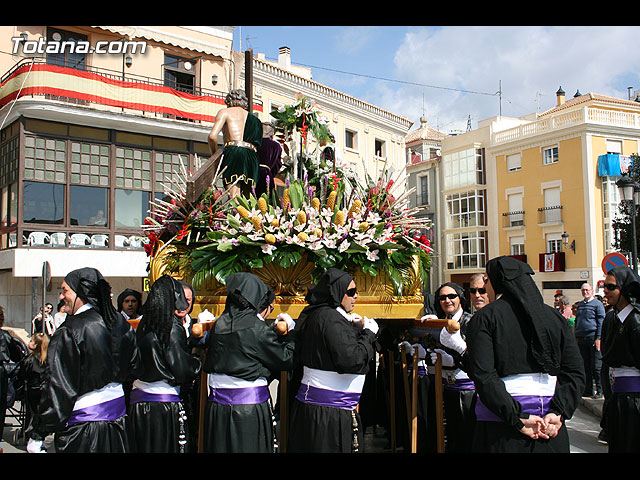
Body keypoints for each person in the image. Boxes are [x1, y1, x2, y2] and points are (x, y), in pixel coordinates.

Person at [465, 256, 585, 453]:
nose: (485, 287)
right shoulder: (555, 317)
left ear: (498, 281)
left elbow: (484, 375)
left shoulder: (485, 318)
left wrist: (516, 417)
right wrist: (558, 412)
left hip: (502, 430)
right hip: (549, 428)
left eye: (486, 281)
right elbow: (575, 372)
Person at [34, 267, 141, 453]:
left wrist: (39, 431)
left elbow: (57, 385)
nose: (60, 296)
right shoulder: (120, 324)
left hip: (83, 430)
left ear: (80, 293)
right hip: (119, 423)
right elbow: (134, 367)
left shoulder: (70, 329)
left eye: (65, 290)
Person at [201, 272, 296, 453]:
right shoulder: (256, 328)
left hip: (217, 409)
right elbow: (285, 359)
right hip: (248, 411)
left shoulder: (219, 324)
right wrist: (291, 334)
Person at [287, 267, 379, 453]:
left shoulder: (322, 314)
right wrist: (368, 334)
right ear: (337, 293)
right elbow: (352, 360)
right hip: (329, 414)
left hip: (320, 410)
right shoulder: (331, 318)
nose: (356, 297)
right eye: (351, 292)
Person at [127, 275, 201, 453]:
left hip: (139, 402)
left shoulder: (144, 324)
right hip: (163, 404)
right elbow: (182, 368)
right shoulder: (170, 326)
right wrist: (197, 362)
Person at [430, 282, 476, 453]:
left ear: (460, 298)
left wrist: (455, 359)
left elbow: (476, 354)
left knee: (466, 436)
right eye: (442, 297)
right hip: (447, 386)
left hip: (467, 390)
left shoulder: (470, 321)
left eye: (451, 296)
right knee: (452, 437)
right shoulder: (442, 322)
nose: (447, 301)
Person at [600, 266, 640, 452]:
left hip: (635, 402)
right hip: (618, 399)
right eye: (604, 286)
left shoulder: (636, 320)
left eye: (610, 287)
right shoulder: (612, 319)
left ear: (624, 289)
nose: (605, 291)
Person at [207, 89, 263, 199]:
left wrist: (214, 156)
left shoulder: (225, 112)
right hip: (251, 155)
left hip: (233, 150)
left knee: (233, 195)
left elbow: (212, 136)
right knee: (249, 198)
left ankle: (234, 214)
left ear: (229, 101)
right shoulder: (256, 120)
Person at [15, 332, 49, 453]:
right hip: (44, 390)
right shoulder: (46, 359)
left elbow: (21, 375)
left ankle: (30, 434)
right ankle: (39, 436)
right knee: (40, 414)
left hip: (32, 390)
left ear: (35, 345)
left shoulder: (29, 359)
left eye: (31, 341)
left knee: (31, 413)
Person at [575, 282, 605, 398]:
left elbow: (601, 322)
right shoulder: (581, 305)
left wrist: (598, 338)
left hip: (593, 338)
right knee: (585, 366)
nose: (585, 292)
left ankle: (600, 390)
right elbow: (578, 320)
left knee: (596, 367)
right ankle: (588, 390)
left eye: (587, 290)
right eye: (583, 290)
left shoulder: (597, 304)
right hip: (582, 339)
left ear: (592, 291)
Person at [256, 121, 283, 200]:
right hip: (267, 174)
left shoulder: (255, 143)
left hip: (254, 174)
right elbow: (278, 164)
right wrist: (270, 172)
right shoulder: (276, 146)